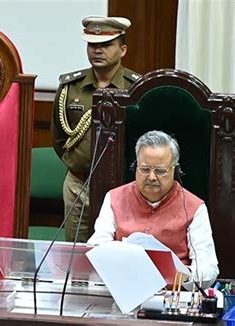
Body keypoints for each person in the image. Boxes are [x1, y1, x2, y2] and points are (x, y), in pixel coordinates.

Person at [51, 16, 141, 243]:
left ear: (123, 50)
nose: (97, 51)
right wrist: (76, 165)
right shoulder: (70, 86)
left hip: (122, 187)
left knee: (119, 252)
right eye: (92, 45)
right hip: (78, 184)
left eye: (106, 45)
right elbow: (59, 138)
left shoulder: (136, 88)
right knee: (76, 254)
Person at [88, 130, 219, 285]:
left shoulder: (194, 207)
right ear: (135, 167)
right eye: (144, 169)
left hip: (171, 295)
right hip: (121, 288)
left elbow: (208, 267)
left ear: (175, 170)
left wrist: (184, 275)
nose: (151, 177)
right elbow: (95, 248)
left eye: (160, 171)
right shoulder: (114, 198)